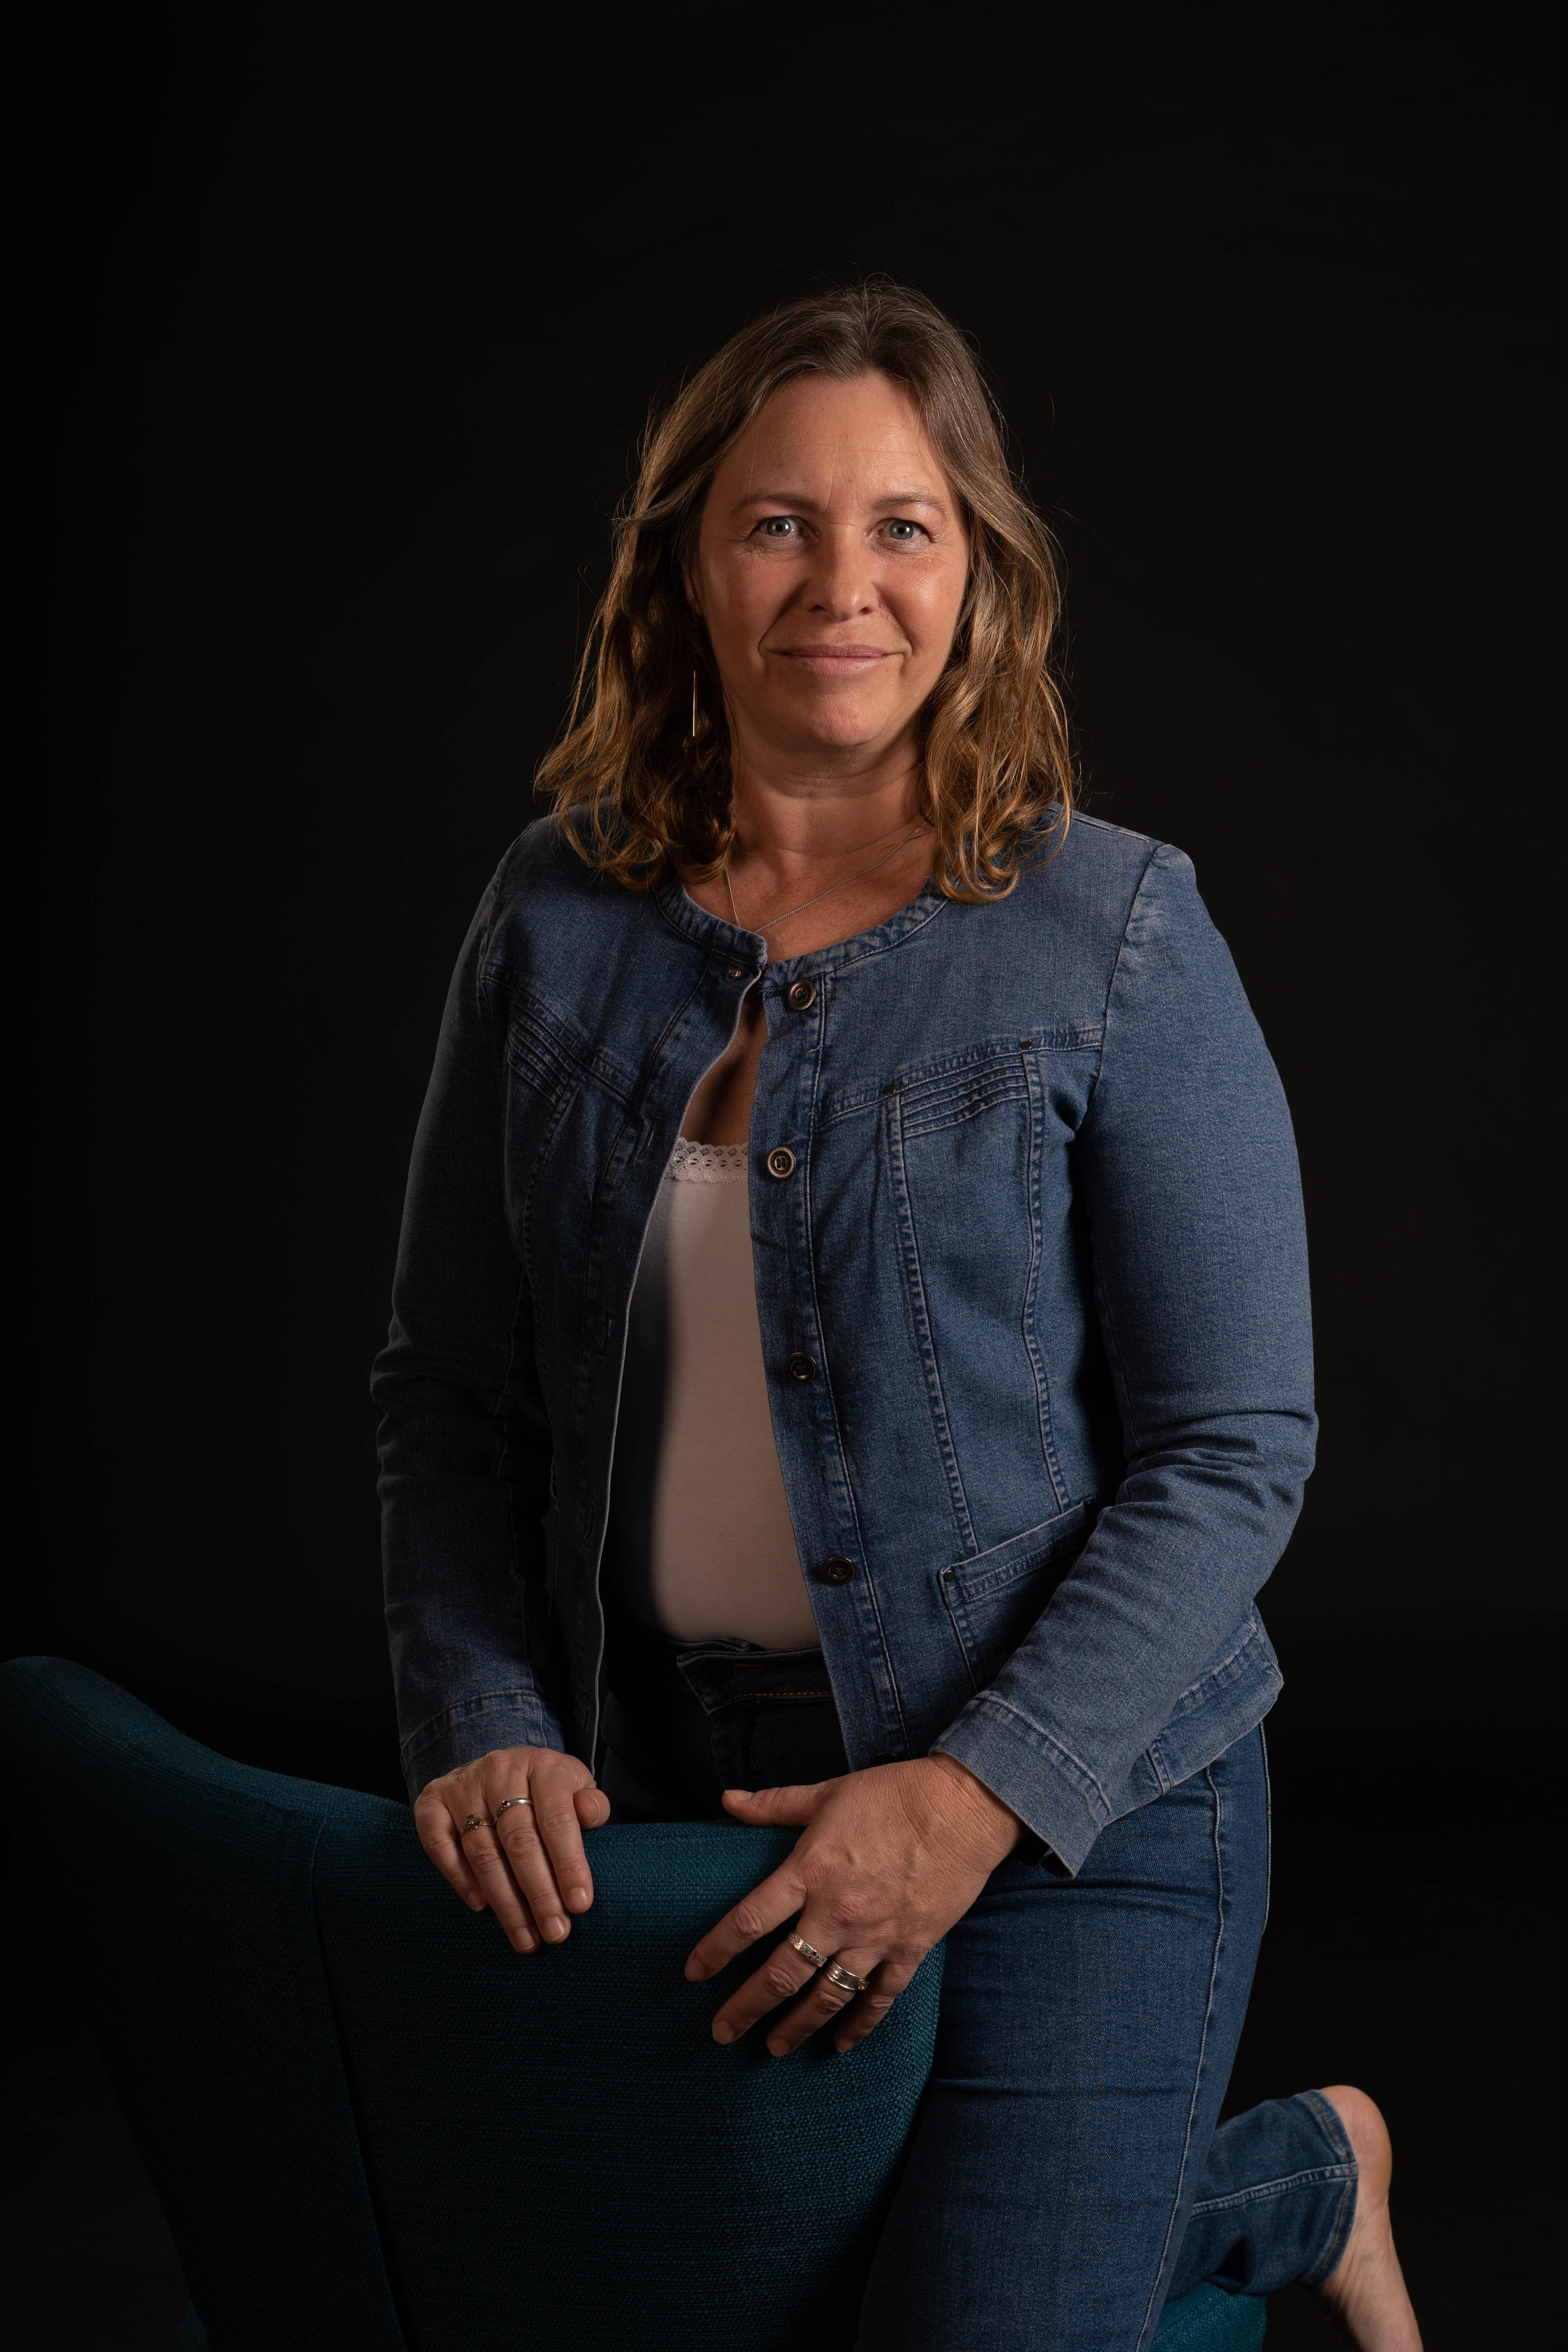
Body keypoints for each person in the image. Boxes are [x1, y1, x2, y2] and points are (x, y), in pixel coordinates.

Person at [371, 282, 1422, 2351]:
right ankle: (1285, 2179)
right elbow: (449, 1392)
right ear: (684, 562)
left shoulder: (1115, 926)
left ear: (981, 573)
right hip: (681, 1794)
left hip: (1083, 1806)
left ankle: (1305, 2171)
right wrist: (475, 1712)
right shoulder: (552, 914)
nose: (839, 584)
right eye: (777, 523)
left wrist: (970, 1799)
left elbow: (1237, 1449)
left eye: (903, 527)